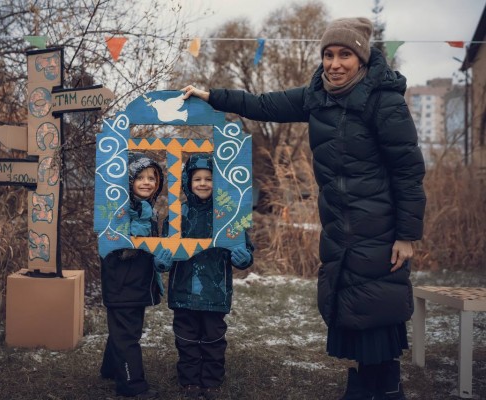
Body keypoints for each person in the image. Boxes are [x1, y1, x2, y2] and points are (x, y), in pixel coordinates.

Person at [182, 17, 426, 400]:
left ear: (362, 58)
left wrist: (407, 235)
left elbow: (408, 171)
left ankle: (387, 385)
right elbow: (261, 104)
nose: (335, 63)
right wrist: (213, 95)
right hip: (339, 224)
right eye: (328, 55)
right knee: (353, 305)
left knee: (377, 304)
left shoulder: (385, 101)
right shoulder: (318, 96)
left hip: (379, 223)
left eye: (345, 54)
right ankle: (365, 381)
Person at [157, 153, 254, 400]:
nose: (202, 183)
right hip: (183, 289)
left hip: (215, 290)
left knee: (214, 338)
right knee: (186, 338)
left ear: (218, 182)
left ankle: (211, 382)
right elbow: (163, 247)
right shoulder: (178, 213)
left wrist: (244, 257)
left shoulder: (228, 214)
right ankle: (189, 382)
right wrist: (161, 261)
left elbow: (244, 246)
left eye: (209, 179)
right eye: (197, 178)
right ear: (188, 182)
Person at [99, 152, 171, 399]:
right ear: (128, 181)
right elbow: (114, 242)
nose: (147, 181)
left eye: (152, 177)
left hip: (136, 284)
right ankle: (132, 385)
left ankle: (111, 369)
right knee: (127, 335)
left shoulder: (147, 208)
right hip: (122, 283)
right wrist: (133, 234)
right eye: (140, 177)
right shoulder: (121, 208)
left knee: (125, 330)